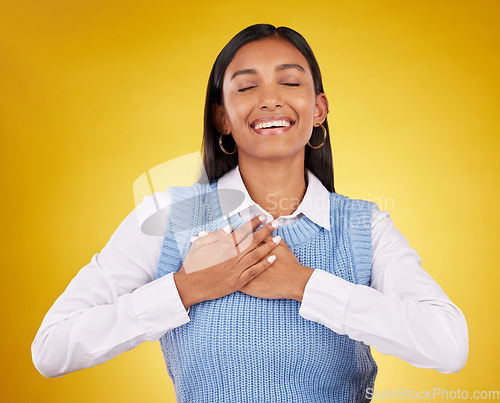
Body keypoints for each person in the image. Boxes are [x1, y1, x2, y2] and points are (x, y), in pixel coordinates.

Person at [32, 24, 468, 402]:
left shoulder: (363, 227)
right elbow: (51, 349)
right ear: (222, 117)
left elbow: (448, 345)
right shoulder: (171, 216)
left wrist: (304, 285)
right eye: (246, 87)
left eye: (290, 82)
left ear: (319, 110)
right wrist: (188, 288)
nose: (270, 100)